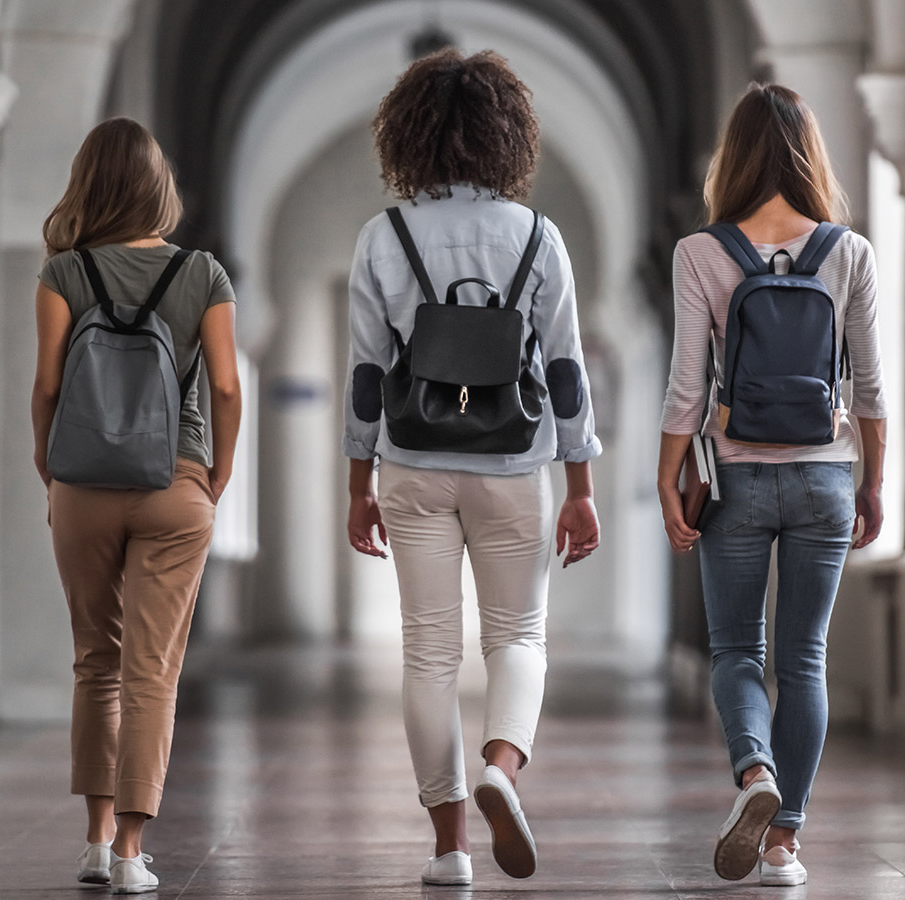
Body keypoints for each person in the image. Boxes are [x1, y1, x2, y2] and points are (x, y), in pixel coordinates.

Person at [343, 48, 603, 887]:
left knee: (427, 655)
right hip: (512, 464)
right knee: (518, 636)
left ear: (408, 136)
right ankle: (502, 765)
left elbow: (364, 374)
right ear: (508, 136)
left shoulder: (382, 238)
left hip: (412, 461)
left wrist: (358, 483)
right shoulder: (538, 237)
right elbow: (565, 370)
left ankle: (450, 846)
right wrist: (581, 486)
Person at [656, 84, 887, 888]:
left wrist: (666, 478)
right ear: (810, 155)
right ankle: (785, 844)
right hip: (827, 475)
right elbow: (872, 392)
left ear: (735, 157)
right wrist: (874, 483)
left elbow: (688, 386)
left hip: (738, 477)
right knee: (806, 657)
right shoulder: (847, 252)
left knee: (736, 650)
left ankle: (755, 774)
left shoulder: (701, 252)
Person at [30, 117, 241, 894]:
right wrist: (214, 474)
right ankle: (129, 853)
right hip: (174, 483)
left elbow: (48, 385)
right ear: (160, 186)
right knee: (154, 671)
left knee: (97, 662)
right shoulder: (202, 273)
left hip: (82, 484)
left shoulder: (64, 273)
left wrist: (51, 467)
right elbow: (224, 385)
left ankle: (90, 841)